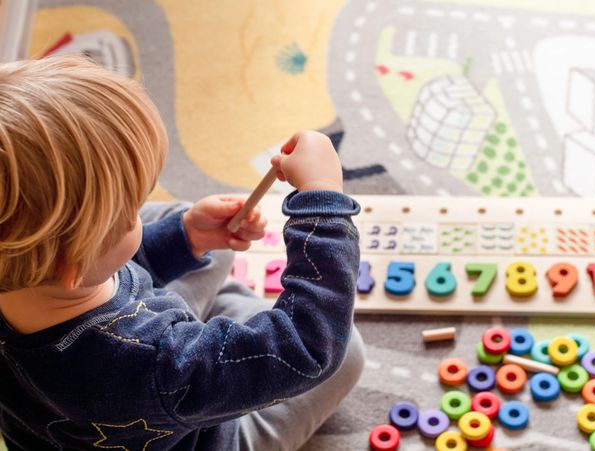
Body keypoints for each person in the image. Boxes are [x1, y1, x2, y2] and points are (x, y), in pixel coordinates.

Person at [0, 55, 365, 450]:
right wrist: (321, 202)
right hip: (204, 433)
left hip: (90, 404)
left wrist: (185, 239)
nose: (138, 211)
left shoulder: (29, 273)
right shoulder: (158, 364)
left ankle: (203, 296)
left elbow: (98, 273)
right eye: (129, 211)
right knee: (347, 354)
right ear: (73, 262)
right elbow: (308, 346)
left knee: (192, 233)